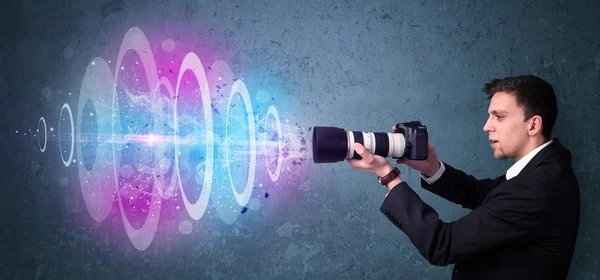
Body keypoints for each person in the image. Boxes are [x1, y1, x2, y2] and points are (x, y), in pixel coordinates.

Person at [347, 75, 580, 280]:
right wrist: (431, 166)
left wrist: (388, 176)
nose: (487, 126)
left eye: (499, 116)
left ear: (533, 125)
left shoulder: (536, 187)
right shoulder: (545, 167)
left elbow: (442, 245)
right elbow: (481, 194)